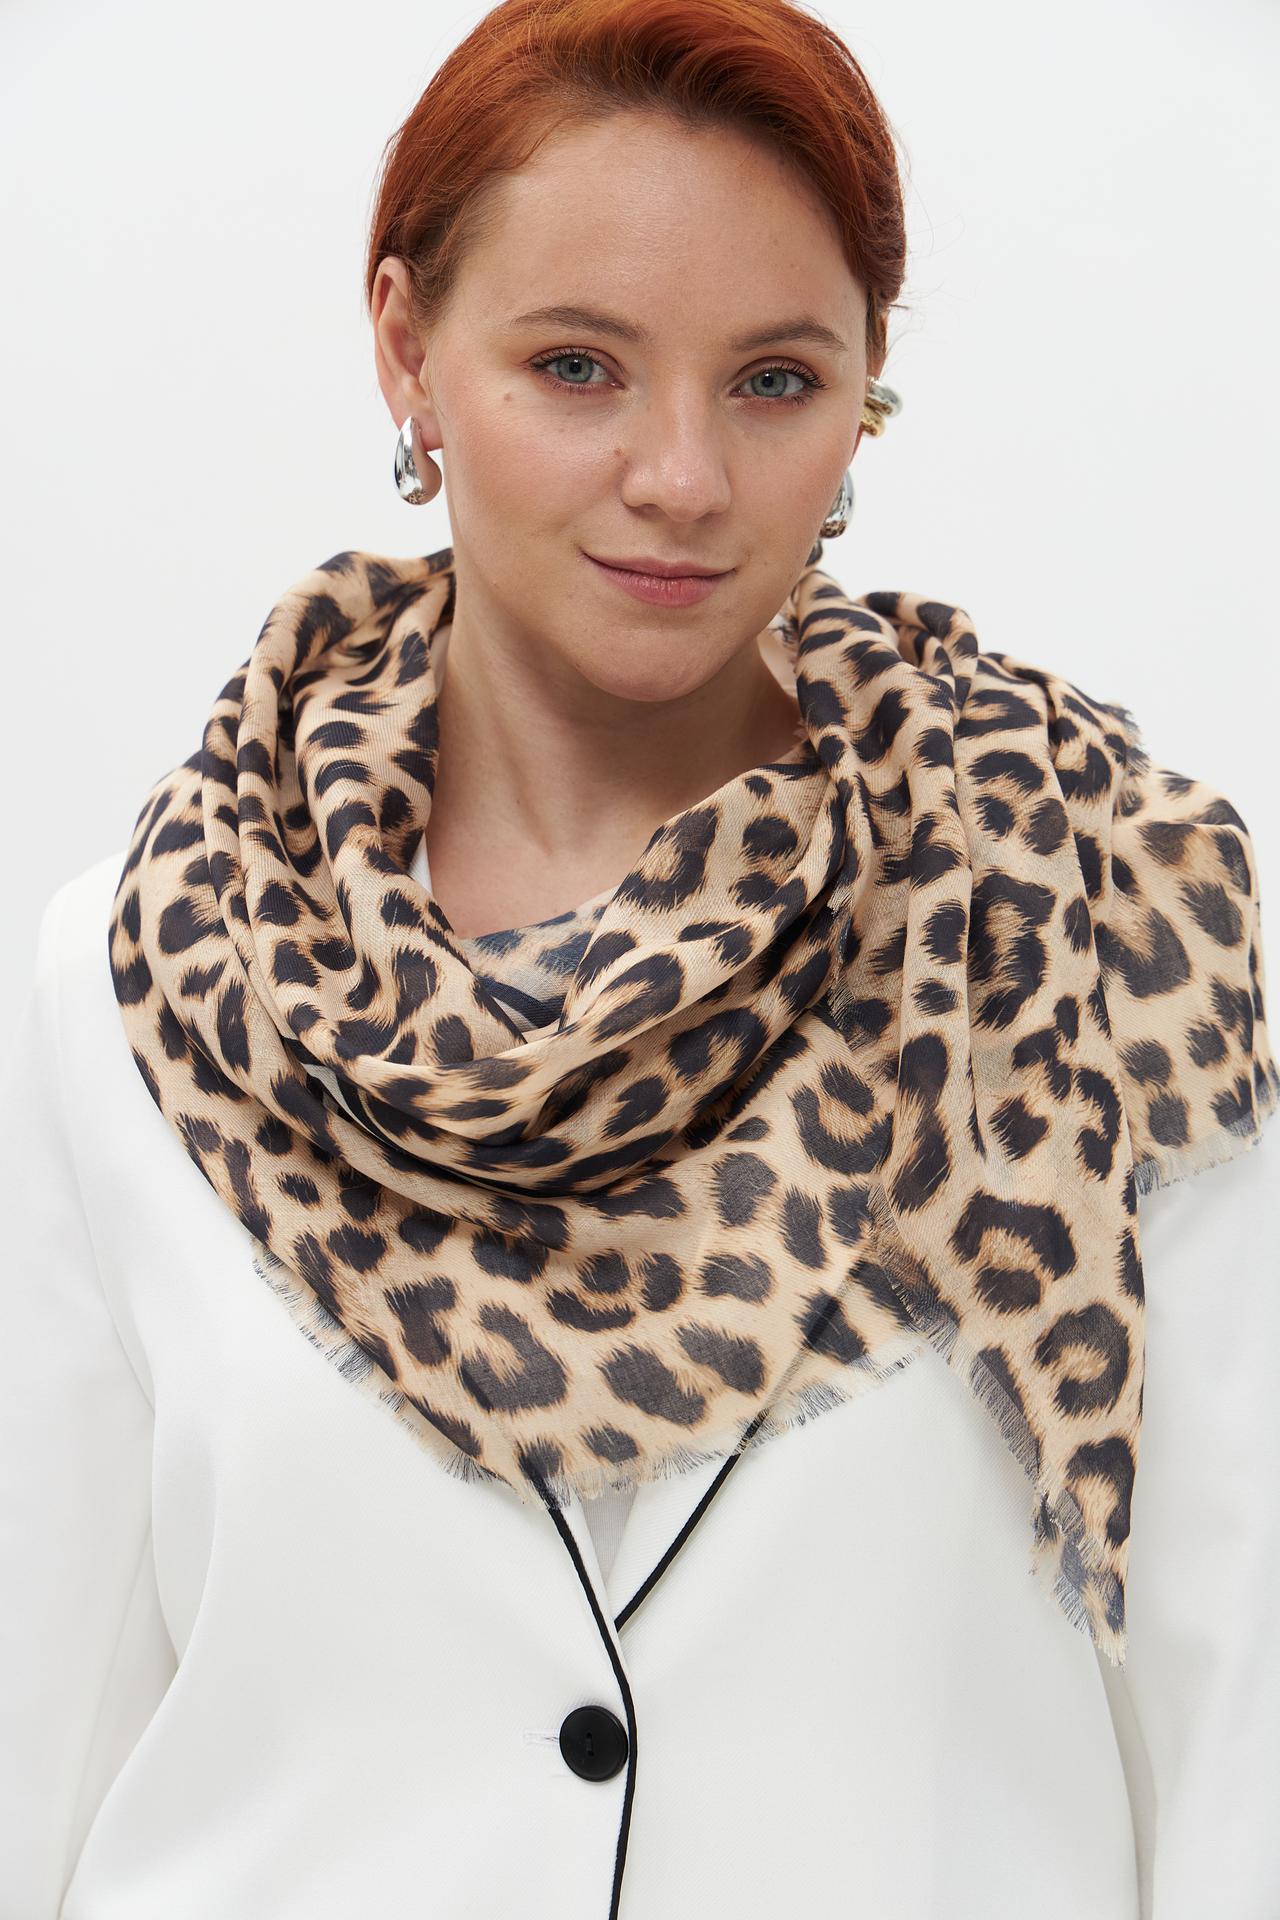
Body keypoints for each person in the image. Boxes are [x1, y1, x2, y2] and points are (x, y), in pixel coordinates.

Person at [3, 0, 1278, 1914]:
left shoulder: (1086, 907)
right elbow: (39, 1724)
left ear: (864, 390)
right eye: (577, 366)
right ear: (406, 347)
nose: (682, 477)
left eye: (774, 381)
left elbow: (1245, 1718)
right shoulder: (138, 975)